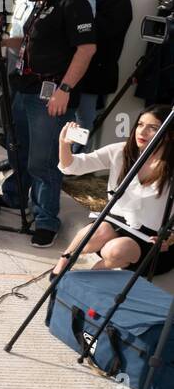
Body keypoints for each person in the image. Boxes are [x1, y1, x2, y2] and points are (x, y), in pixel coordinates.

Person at [0, 0, 97, 247]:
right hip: (25, 88)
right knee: (19, 149)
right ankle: (16, 197)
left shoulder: (72, 3)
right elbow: (33, 43)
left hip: (52, 94)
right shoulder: (40, 2)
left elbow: (87, 49)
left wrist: (64, 89)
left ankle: (46, 220)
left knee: (43, 162)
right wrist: (2, 41)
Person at [53, 107, 174, 276]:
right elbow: (72, 166)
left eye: (153, 128)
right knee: (95, 232)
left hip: (152, 239)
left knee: (115, 250)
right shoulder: (122, 151)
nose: (143, 131)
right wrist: (64, 144)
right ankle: (62, 265)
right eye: (140, 124)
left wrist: (170, 238)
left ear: (168, 133)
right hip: (116, 222)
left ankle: (90, 279)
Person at [75, 0, 133, 144]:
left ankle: (76, 160)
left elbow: (108, 30)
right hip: (75, 63)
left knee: (84, 117)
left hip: (94, 67)